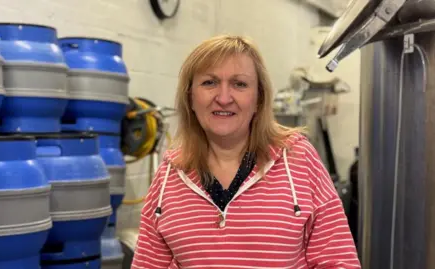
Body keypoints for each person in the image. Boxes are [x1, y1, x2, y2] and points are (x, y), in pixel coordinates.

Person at [131, 34, 360, 269]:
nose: (223, 98)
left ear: (259, 98)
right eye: (209, 82)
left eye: (239, 84)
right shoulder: (171, 173)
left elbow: (338, 261)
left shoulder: (298, 158)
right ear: (190, 97)